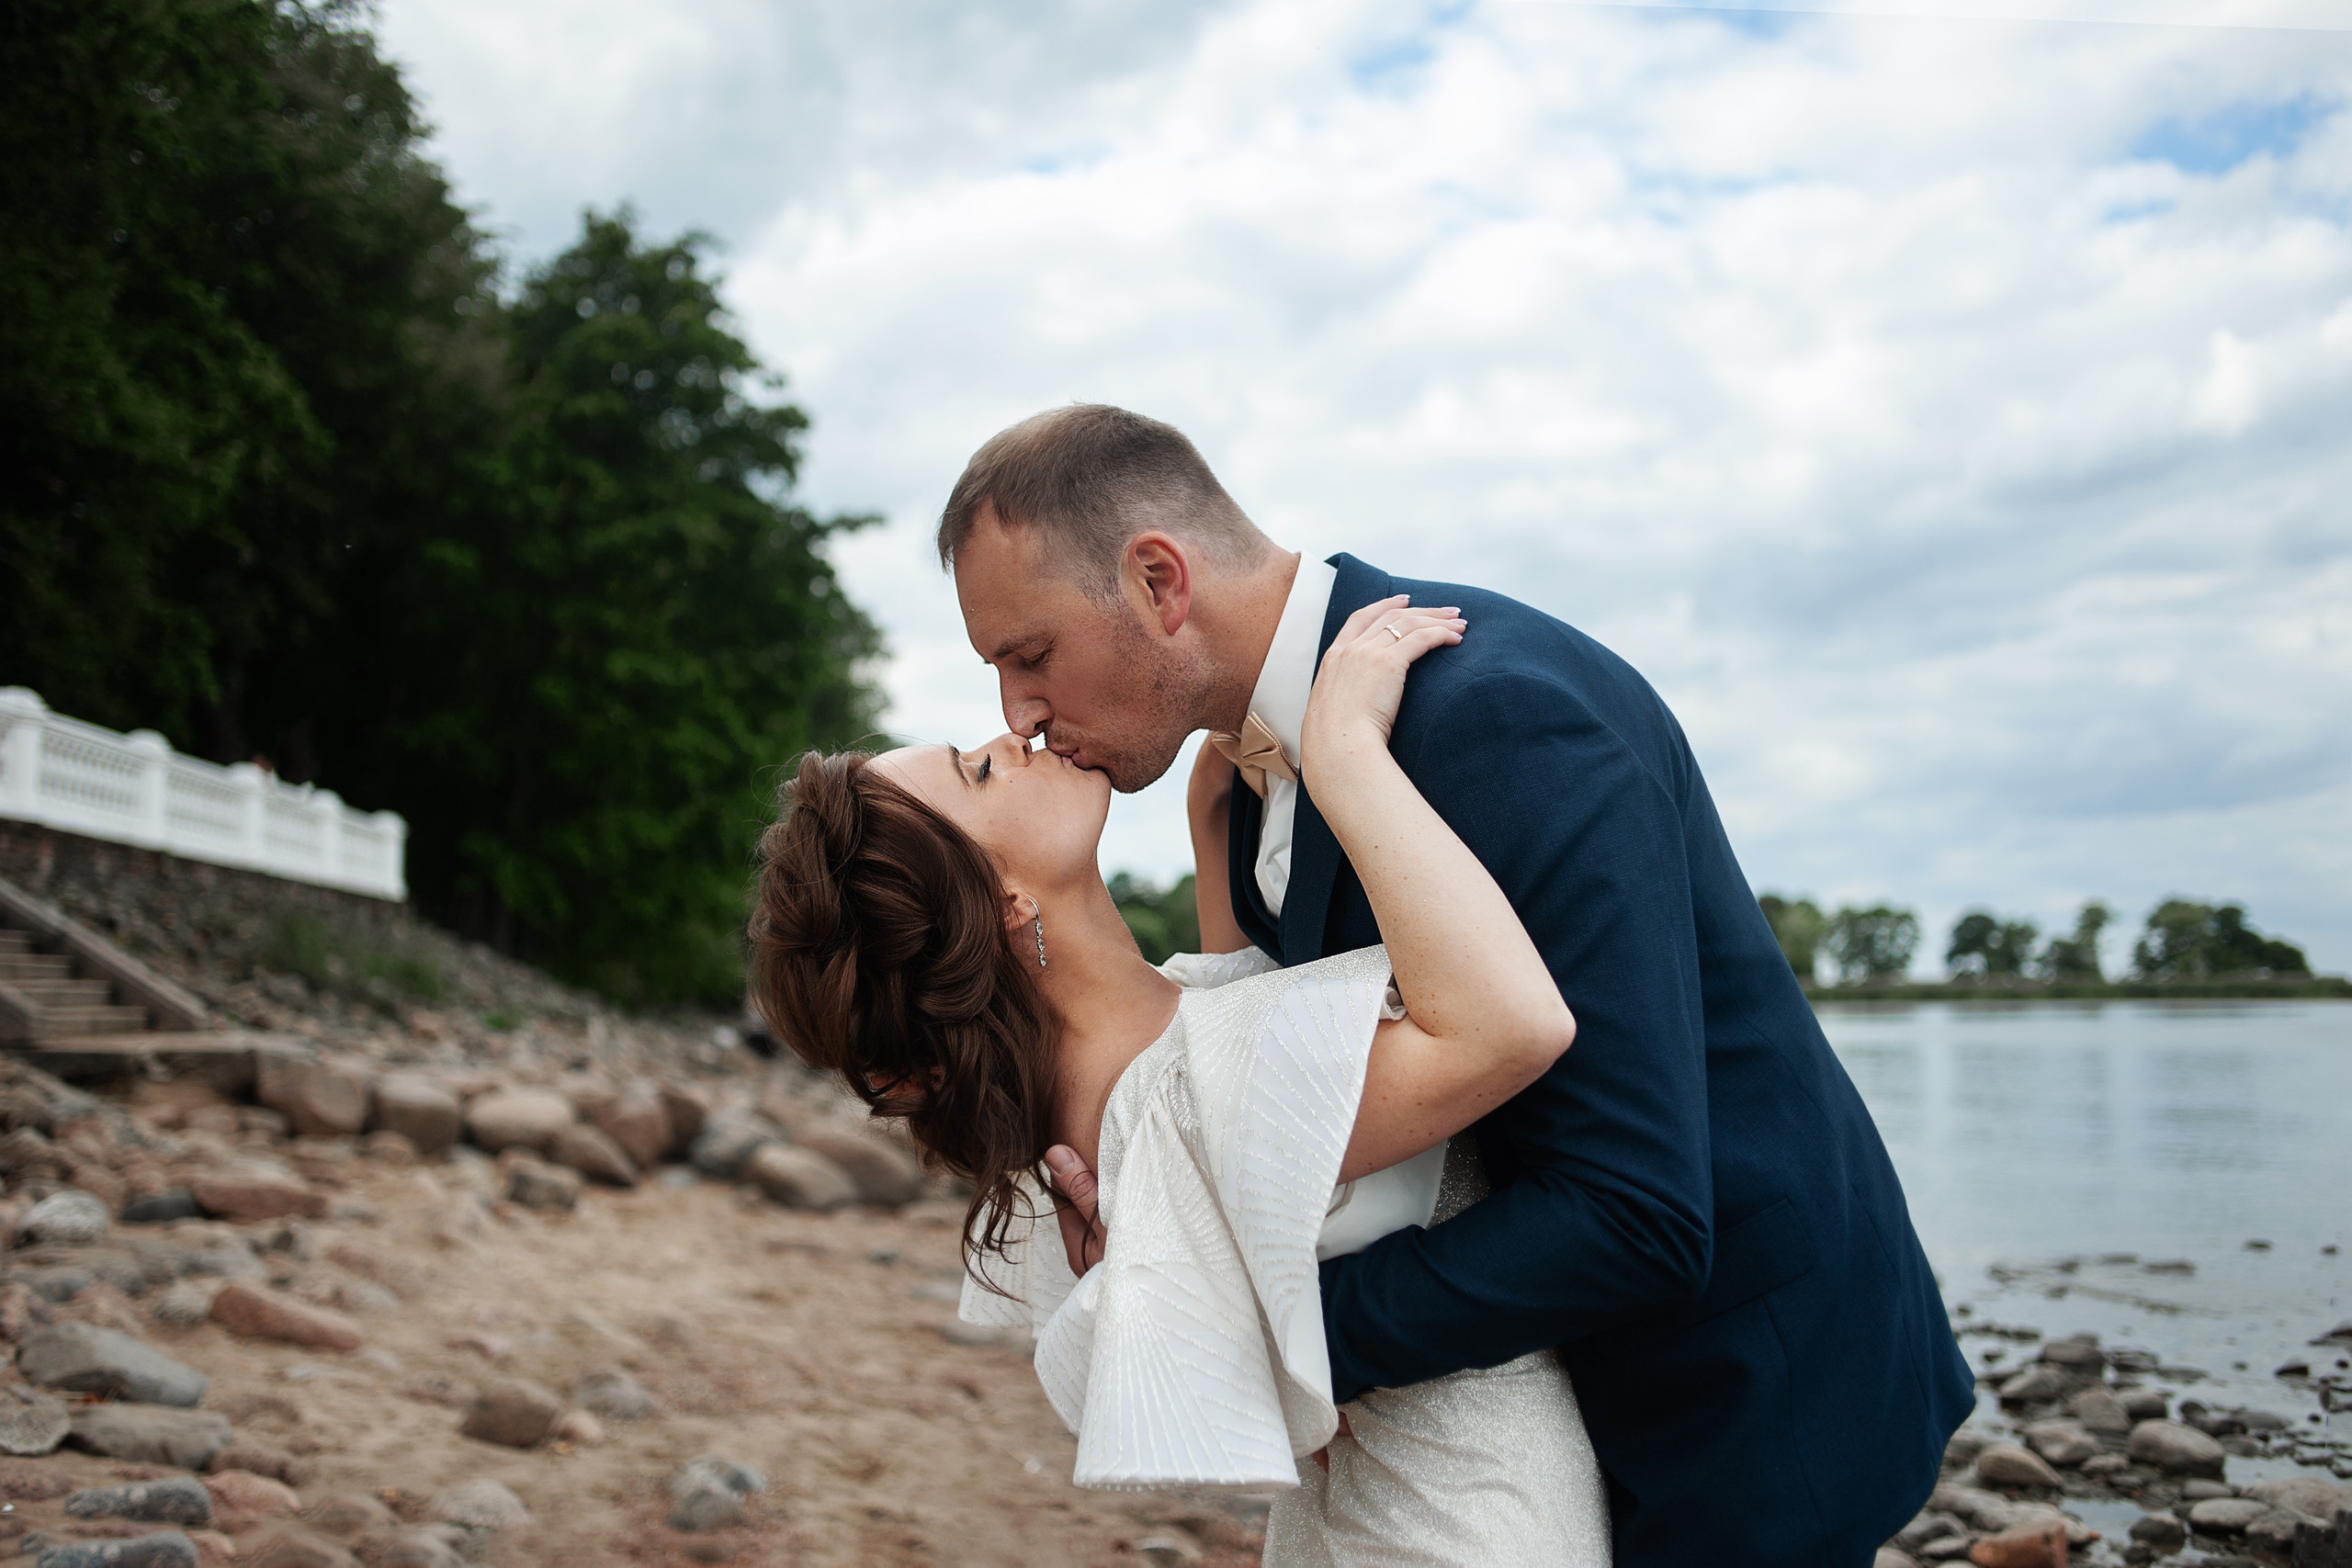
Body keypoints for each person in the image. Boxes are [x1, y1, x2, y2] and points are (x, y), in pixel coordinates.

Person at [935, 405, 1974, 1564]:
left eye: (1029, 656)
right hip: (1532, 1404)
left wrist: (1263, 1346)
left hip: (1737, 1400)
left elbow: (1636, 1211)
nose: (1017, 713)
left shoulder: (1497, 718)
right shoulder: (1237, 784)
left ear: (1158, 581)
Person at [751, 602, 1613, 1563]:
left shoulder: (1116, 1089)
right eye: (979, 769)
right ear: (1001, 904)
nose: (1015, 732)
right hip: (1473, 1523)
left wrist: (1213, 808)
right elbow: (1510, 1026)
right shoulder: (1181, 1099)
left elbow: (1235, 1012)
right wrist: (1343, 752)